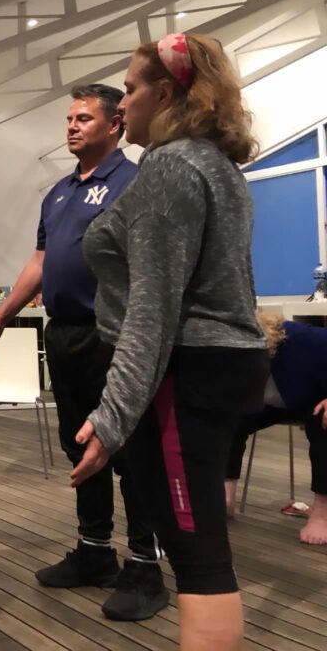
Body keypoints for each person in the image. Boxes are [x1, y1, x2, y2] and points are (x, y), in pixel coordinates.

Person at [72, 33, 269, 651]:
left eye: (130, 89)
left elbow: (154, 308)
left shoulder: (170, 167)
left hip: (186, 371)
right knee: (198, 544)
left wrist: (112, 418)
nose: (123, 102)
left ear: (163, 95)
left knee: (197, 555)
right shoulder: (215, 165)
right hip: (217, 365)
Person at [0, 84, 168, 622]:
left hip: (117, 335)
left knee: (130, 449)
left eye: (84, 118)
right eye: (69, 119)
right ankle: (95, 550)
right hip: (65, 335)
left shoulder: (134, 181)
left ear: (114, 125)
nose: (72, 127)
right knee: (80, 445)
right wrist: (0, 318)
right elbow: (40, 261)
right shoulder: (57, 193)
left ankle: (146, 565)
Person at [225, 312, 327, 544]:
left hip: (318, 396)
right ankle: (225, 496)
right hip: (280, 400)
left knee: (322, 422)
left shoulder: (301, 339)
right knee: (230, 418)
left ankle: (322, 511)